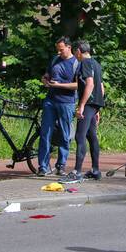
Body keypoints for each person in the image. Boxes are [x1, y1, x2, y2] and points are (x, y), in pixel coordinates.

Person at [37, 37, 78, 177]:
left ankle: (61, 165)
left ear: (69, 47)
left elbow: (78, 85)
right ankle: (43, 166)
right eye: (58, 50)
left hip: (67, 102)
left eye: (61, 49)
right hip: (50, 100)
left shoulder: (76, 63)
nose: (59, 52)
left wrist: (59, 85)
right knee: (45, 133)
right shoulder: (55, 59)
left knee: (64, 135)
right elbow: (47, 74)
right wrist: (45, 80)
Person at [71, 40, 105, 181]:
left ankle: (77, 172)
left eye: (75, 52)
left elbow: (90, 84)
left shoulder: (84, 63)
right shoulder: (96, 64)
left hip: (89, 103)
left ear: (79, 50)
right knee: (91, 136)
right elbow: (101, 88)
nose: (75, 56)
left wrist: (82, 105)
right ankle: (95, 170)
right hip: (95, 104)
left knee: (80, 136)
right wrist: (98, 109)